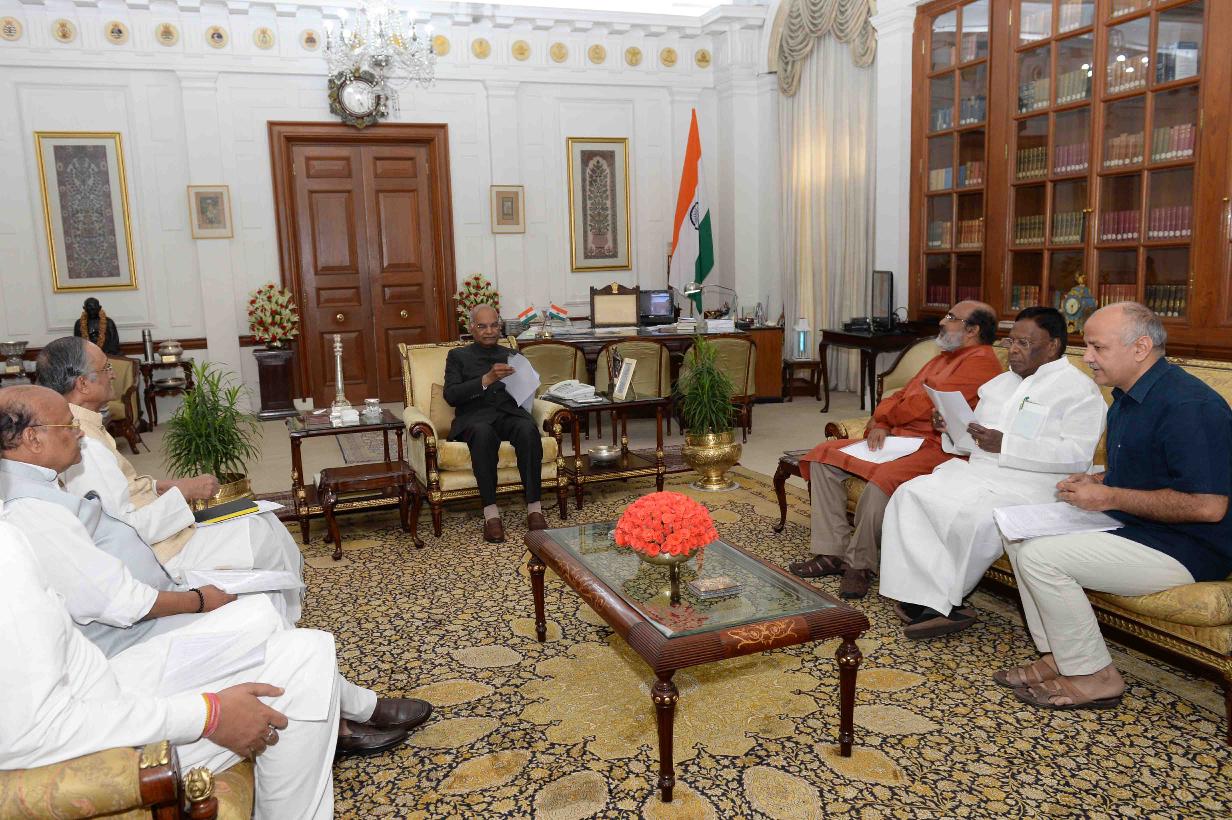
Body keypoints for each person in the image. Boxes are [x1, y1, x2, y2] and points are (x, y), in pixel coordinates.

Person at [0, 385, 431, 755]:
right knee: (270, 623)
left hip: (142, 610)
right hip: (128, 647)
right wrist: (200, 600)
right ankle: (346, 719)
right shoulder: (33, 510)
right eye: (67, 425)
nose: (77, 431)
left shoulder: (39, 488)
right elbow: (119, 602)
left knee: (272, 618)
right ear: (32, 439)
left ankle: (344, 717)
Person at [0, 517, 340, 818]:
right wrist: (209, 714)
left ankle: (347, 708)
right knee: (307, 657)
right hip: (102, 747)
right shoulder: (6, 552)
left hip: (104, 686)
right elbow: (37, 732)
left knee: (259, 614)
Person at [999, 302, 1232, 710]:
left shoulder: (1189, 407)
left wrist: (1109, 497)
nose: (1087, 357)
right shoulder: (1127, 396)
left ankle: (1096, 675)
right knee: (1019, 536)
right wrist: (1098, 480)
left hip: (1188, 547)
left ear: (1140, 348)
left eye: (1098, 347)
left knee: (1040, 557)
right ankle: (1061, 655)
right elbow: (1150, 472)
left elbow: (1208, 506)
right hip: (1136, 526)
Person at [878, 307, 1106, 638]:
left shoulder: (1079, 390)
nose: (1013, 350)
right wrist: (951, 428)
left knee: (975, 517)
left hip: (1033, 486)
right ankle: (922, 594)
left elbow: (1076, 455)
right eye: (1011, 341)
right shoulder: (998, 385)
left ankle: (943, 603)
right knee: (910, 494)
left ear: (1053, 345)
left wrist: (1007, 445)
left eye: (1025, 343)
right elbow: (973, 443)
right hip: (980, 472)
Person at [39, 338, 304, 621]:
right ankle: (277, 624)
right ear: (83, 384)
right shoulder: (85, 445)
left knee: (262, 521)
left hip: (161, 531)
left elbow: (122, 490)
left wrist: (160, 486)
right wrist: (184, 493)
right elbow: (124, 531)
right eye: (106, 368)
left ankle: (282, 619)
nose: (113, 374)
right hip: (158, 555)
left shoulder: (83, 428)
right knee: (260, 535)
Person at [788, 301, 1005, 599]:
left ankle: (859, 564)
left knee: (884, 480)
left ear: (973, 330)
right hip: (900, 438)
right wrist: (881, 422)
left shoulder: (981, 362)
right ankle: (832, 552)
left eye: (951, 317)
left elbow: (923, 406)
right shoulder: (944, 357)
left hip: (937, 446)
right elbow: (900, 394)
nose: (943, 321)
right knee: (823, 457)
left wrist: (885, 417)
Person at [444, 304, 545, 543]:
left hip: (509, 414)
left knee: (528, 429)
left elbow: (526, 390)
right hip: (475, 417)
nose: (489, 331)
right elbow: (451, 395)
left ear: (500, 327)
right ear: (471, 328)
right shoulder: (458, 356)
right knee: (483, 434)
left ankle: (535, 509)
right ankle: (491, 516)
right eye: (482, 326)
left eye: (493, 325)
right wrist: (486, 379)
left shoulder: (513, 355)